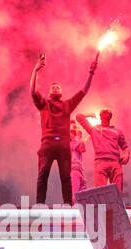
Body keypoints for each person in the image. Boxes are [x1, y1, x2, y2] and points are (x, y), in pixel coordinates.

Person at [30, 54, 98, 205]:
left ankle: (68, 205)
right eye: (53, 87)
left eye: (58, 87)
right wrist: (35, 71)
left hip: (63, 146)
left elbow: (83, 91)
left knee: (66, 178)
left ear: (61, 92)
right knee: (42, 175)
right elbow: (33, 92)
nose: (55, 87)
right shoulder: (44, 104)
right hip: (47, 145)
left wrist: (91, 73)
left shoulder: (67, 105)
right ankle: (39, 205)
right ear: (49, 92)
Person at [76, 109, 130, 192]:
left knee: (117, 192)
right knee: (100, 192)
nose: (105, 112)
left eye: (107, 112)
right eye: (103, 112)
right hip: (100, 162)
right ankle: (103, 205)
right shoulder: (94, 129)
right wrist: (89, 113)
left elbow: (125, 147)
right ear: (100, 116)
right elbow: (79, 116)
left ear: (111, 117)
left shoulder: (117, 131)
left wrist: (127, 154)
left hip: (115, 162)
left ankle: (115, 205)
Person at [70, 121, 87, 203]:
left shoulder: (75, 141)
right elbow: (82, 148)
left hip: (79, 170)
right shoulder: (70, 142)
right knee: (75, 194)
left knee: (83, 196)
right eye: (73, 130)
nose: (75, 131)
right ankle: (73, 213)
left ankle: (81, 214)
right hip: (74, 169)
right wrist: (79, 136)